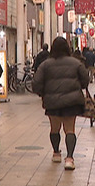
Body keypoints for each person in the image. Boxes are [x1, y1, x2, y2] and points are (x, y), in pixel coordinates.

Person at [32, 37, 91, 170]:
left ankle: (56, 153)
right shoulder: (76, 63)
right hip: (72, 102)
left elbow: (36, 83)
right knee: (70, 129)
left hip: (53, 102)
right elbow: (85, 81)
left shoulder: (46, 64)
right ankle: (69, 158)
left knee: (54, 128)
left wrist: (43, 93)